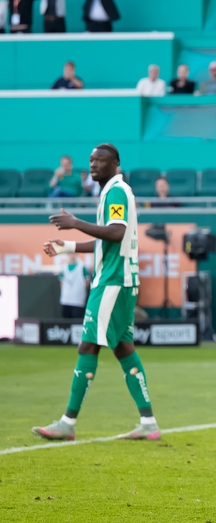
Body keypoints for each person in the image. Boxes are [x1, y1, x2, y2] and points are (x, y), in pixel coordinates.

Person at [32, 143, 160, 442]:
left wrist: (76, 224)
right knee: (123, 348)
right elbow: (113, 239)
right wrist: (70, 246)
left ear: (115, 164)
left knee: (88, 345)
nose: (94, 165)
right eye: (91, 160)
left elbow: (115, 232)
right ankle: (148, 422)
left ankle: (67, 422)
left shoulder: (116, 190)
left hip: (113, 282)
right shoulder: (112, 191)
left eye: (101, 160)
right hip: (120, 280)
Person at [58, 253, 91, 319]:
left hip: (78, 300)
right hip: (66, 299)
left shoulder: (82, 267)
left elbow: (87, 280)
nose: (72, 255)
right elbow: (61, 281)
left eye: (73, 253)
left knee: (77, 320)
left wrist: (81, 290)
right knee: (65, 321)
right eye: (70, 253)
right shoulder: (64, 267)